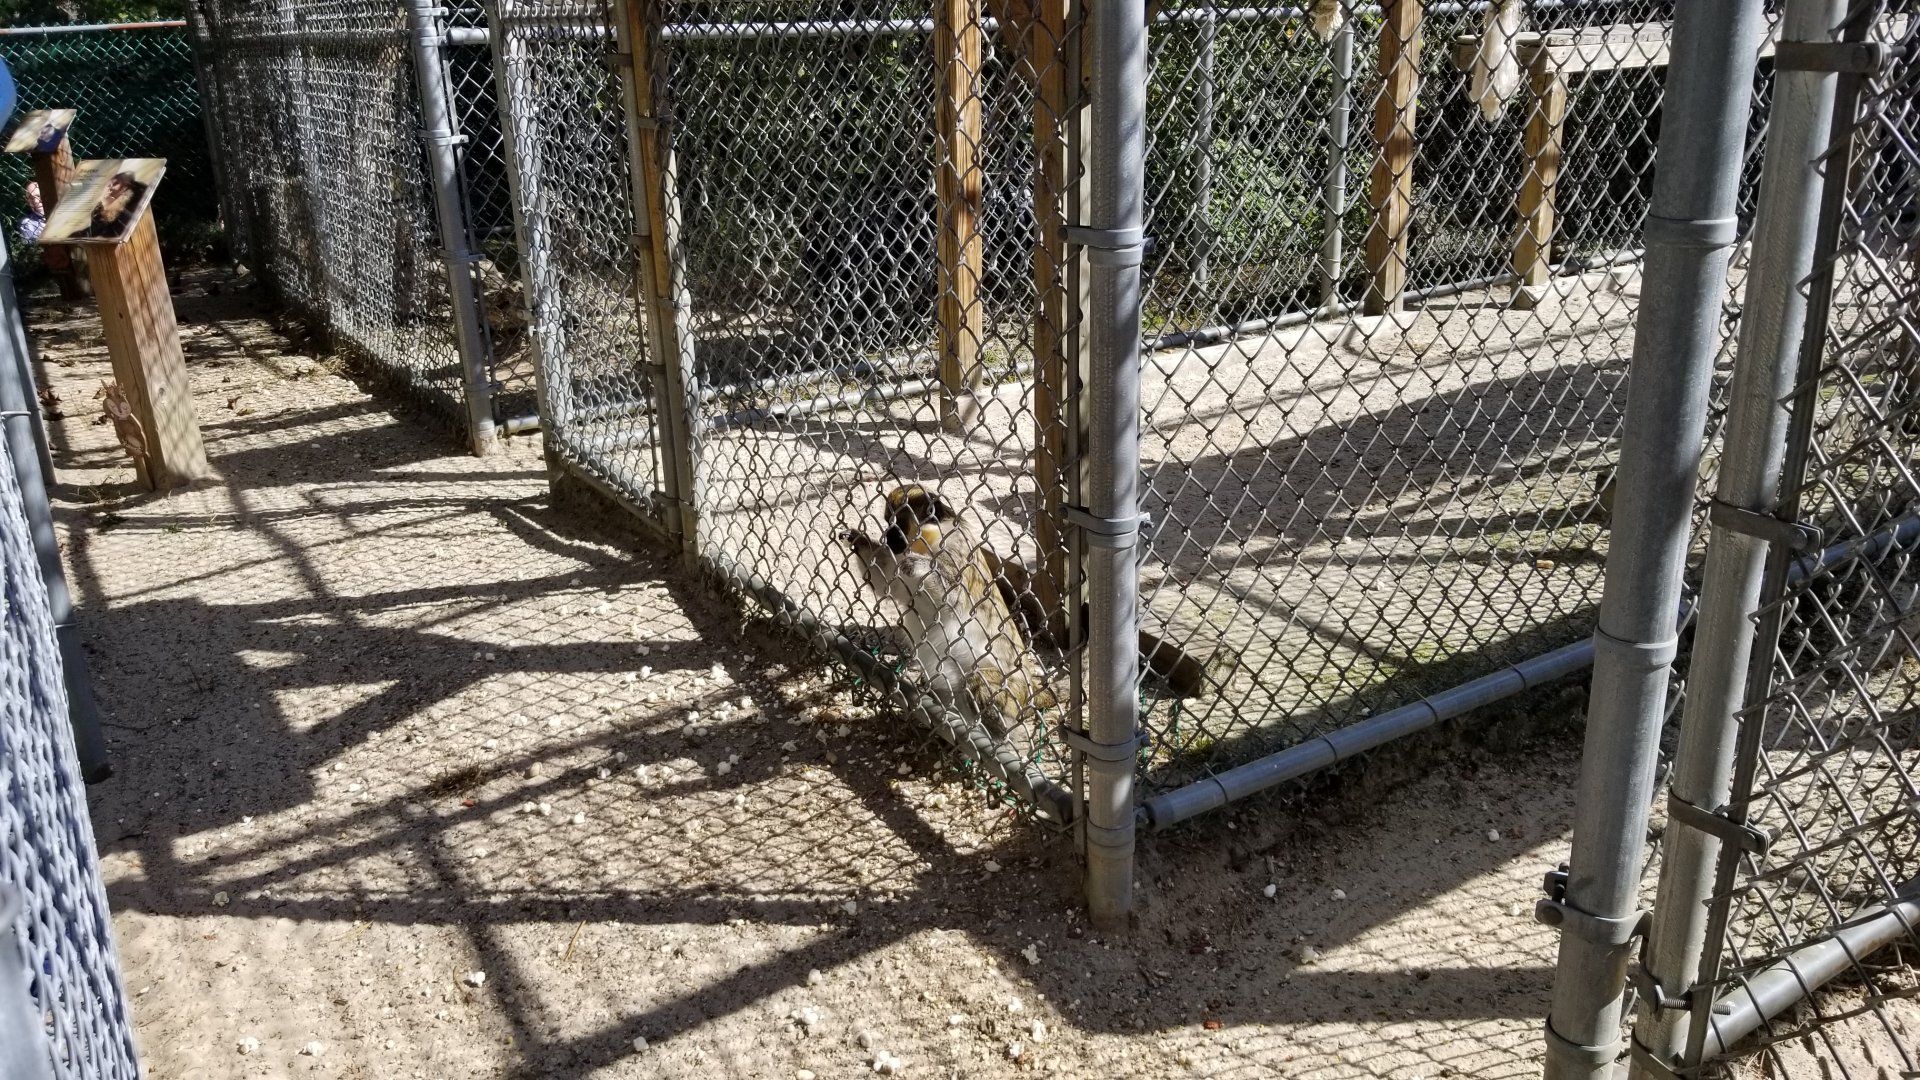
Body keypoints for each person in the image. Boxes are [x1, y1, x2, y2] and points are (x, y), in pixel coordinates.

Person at [75, 169, 145, 240]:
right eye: (108, 183)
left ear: (125, 187)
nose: (109, 187)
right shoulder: (99, 209)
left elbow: (113, 233)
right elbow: (93, 231)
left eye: (115, 183)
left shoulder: (128, 208)